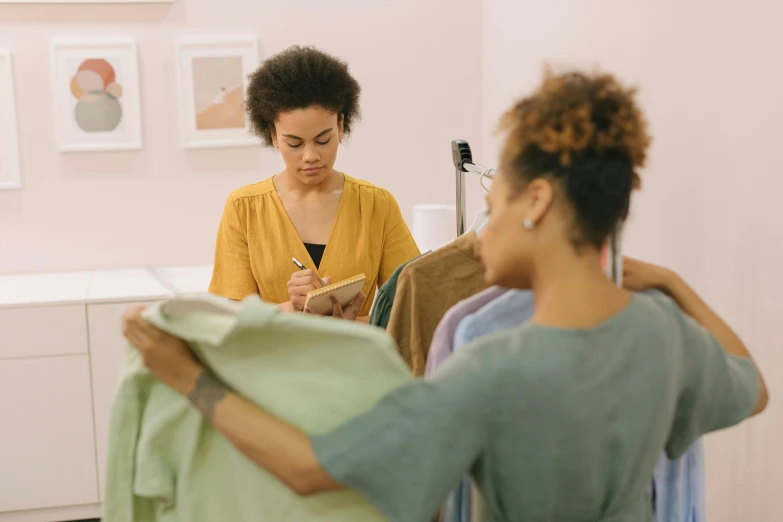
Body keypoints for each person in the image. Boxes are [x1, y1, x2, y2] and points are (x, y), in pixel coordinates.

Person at [122, 68, 769, 521]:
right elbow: (752, 387)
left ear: (536, 202)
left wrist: (188, 380)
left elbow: (310, 469)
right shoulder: (661, 332)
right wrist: (673, 284)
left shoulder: (492, 367)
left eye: (491, 209)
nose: (478, 235)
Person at [207, 45, 420, 320]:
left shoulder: (376, 204)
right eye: (294, 143)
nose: (310, 156)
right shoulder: (244, 208)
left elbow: (412, 310)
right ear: (273, 135)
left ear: (341, 126)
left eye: (323, 140)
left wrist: (352, 324)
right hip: (273, 363)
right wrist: (290, 309)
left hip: (355, 361)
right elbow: (228, 321)